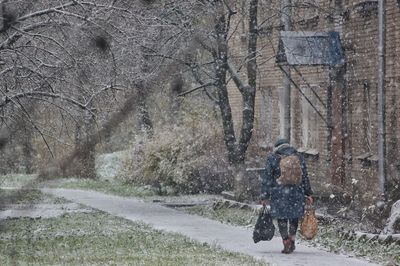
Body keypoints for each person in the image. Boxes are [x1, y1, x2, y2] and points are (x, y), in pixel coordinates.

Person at [260, 138, 313, 254]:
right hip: (296, 192)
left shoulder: (272, 158)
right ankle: (292, 239)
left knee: (282, 218)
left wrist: (264, 196)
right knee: (294, 217)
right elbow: (304, 177)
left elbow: (267, 178)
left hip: (279, 193)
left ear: (277, 147)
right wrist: (308, 193)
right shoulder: (299, 157)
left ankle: (286, 241)